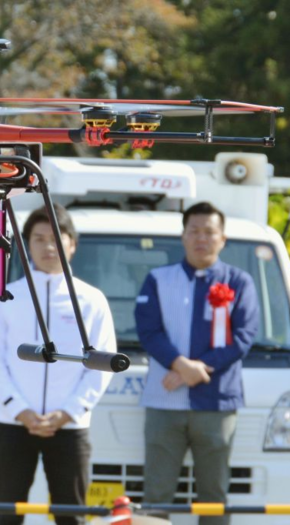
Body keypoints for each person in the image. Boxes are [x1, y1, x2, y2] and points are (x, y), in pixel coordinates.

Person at [0, 204, 116, 525]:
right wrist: (19, 409)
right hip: (13, 423)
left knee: (72, 515)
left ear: (72, 244)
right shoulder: (6, 297)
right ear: (27, 245)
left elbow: (103, 364)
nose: (48, 247)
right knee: (7, 516)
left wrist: (69, 411)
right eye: (39, 239)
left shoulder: (92, 300)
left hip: (70, 426)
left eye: (57, 238)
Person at [134, 201, 259, 525]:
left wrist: (195, 370)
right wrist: (180, 365)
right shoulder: (158, 279)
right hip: (164, 402)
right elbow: (148, 331)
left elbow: (244, 336)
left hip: (217, 404)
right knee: (157, 493)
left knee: (214, 495)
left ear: (222, 238)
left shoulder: (240, 282)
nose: (201, 238)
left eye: (209, 232)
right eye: (194, 231)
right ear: (183, 236)